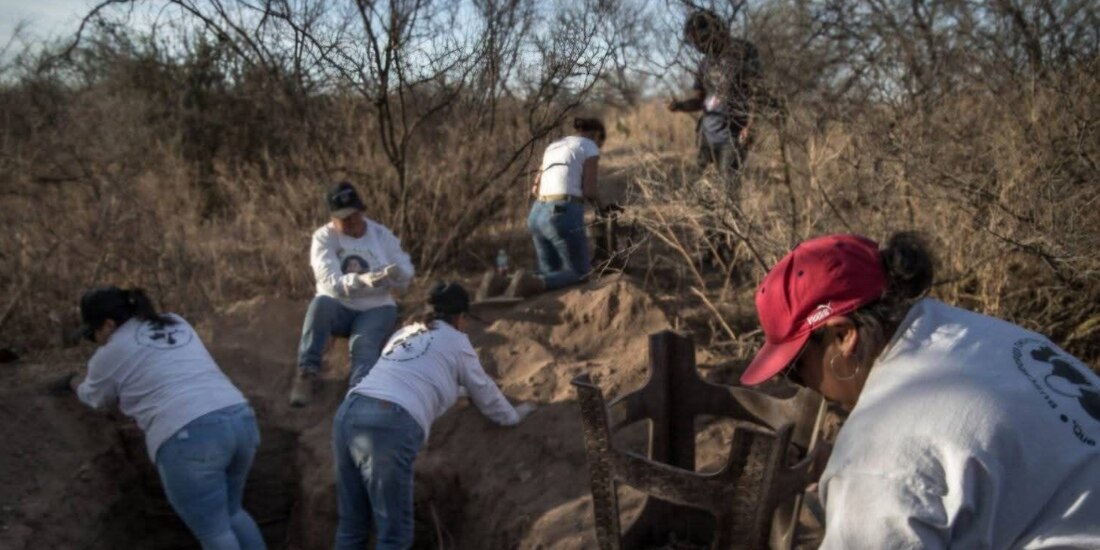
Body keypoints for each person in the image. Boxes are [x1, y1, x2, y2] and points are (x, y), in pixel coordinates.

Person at [740, 232, 1100, 548]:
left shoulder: (878, 461)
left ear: (842, 336)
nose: (804, 385)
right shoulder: (969, 331)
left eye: (794, 368)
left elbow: (899, 467)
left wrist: (854, 482)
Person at [332, 281, 536, 548]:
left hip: (349, 413)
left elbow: (410, 375)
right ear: (460, 318)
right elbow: (485, 391)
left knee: (352, 526)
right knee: (394, 536)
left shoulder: (404, 333)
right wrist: (513, 417)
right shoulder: (456, 341)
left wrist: (455, 391)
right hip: (389, 424)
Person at [71, 286, 266, 550]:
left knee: (215, 533)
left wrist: (74, 383)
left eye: (93, 334)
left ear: (108, 324)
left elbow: (94, 398)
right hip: (240, 418)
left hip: (189, 436)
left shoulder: (110, 354)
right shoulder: (176, 322)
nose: (96, 341)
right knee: (233, 513)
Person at [290, 181, 415, 406]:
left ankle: (359, 393)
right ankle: (306, 372)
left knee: (363, 345)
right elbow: (328, 280)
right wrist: (361, 280)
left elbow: (405, 270)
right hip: (339, 305)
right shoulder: (323, 238)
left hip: (376, 307)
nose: (353, 222)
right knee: (320, 306)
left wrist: (396, 275)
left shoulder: (380, 234)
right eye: (345, 219)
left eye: (356, 215)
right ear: (333, 218)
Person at [508, 117, 606, 297]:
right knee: (581, 272)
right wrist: (603, 208)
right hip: (562, 212)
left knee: (549, 275)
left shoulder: (554, 146)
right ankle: (529, 282)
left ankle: (502, 282)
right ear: (598, 136)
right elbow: (590, 191)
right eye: (601, 144)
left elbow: (535, 187)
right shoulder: (589, 146)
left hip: (537, 213)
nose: (599, 148)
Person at [668, 8, 761, 181]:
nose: (698, 46)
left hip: (733, 136)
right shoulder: (706, 62)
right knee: (699, 188)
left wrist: (751, 126)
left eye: (700, 40)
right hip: (707, 136)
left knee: (729, 191)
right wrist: (679, 106)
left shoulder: (744, 51)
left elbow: (757, 92)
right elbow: (700, 100)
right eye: (694, 42)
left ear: (715, 30)